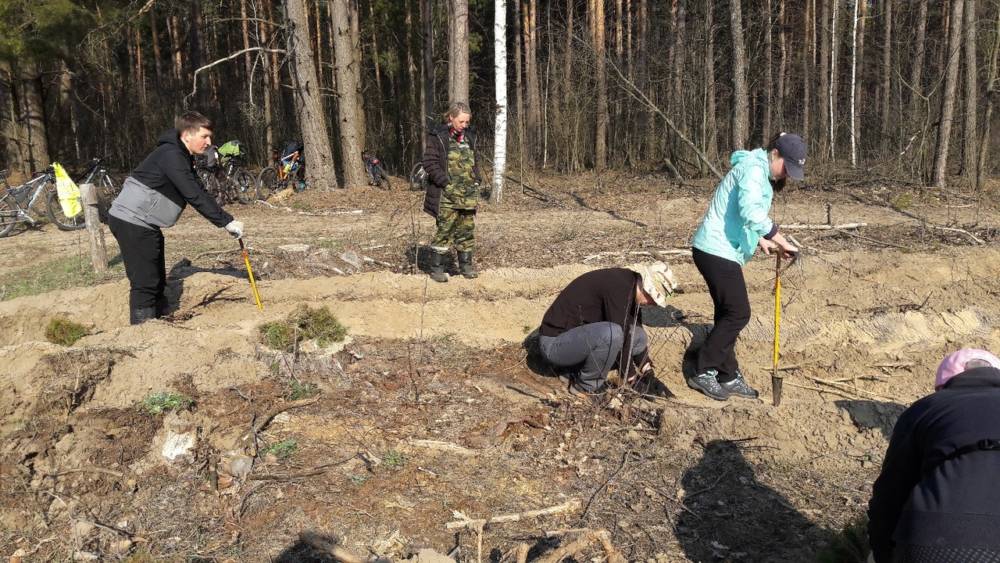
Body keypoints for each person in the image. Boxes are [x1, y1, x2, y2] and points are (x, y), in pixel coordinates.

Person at [687, 132, 806, 401]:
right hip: (715, 250)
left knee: (727, 313)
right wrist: (779, 238)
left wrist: (761, 239)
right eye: (787, 168)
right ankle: (703, 370)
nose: (787, 175)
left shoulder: (758, 172)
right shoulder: (753, 170)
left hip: (720, 249)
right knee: (739, 313)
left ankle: (727, 374)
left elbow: (741, 214)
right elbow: (751, 212)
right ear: (775, 154)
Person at [107, 111, 244, 325]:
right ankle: (142, 332)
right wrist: (224, 221)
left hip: (144, 222)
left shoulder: (181, 155)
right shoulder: (171, 155)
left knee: (157, 278)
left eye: (210, 137)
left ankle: (161, 322)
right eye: (204, 136)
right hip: (131, 221)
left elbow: (198, 188)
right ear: (187, 135)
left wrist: (225, 218)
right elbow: (192, 193)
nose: (209, 142)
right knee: (145, 282)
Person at [868, 348, 1000, 563]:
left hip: (936, 542)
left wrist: (882, 553)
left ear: (944, 384)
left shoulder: (926, 409)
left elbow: (890, 495)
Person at [538, 262, 677, 395]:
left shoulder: (629, 285)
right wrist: (630, 377)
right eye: (654, 299)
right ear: (647, 288)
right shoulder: (619, 287)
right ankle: (585, 387)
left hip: (575, 342)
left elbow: (631, 331)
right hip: (555, 345)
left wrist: (647, 370)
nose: (653, 304)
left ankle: (574, 370)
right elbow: (621, 334)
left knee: (639, 335)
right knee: (612, 334)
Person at [422, 101, 481, 282]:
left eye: (467, 122)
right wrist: (445, 183)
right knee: (445, 231)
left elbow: (474, 162)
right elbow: (429, 163)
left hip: (468, 194)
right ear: (451, 118)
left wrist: (477, 179)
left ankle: (466, 267)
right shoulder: (438, 136)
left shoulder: (470, 137)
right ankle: (437, 269)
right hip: (447, 195)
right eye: (461, 122)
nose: (464, 126)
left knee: (466, 230)